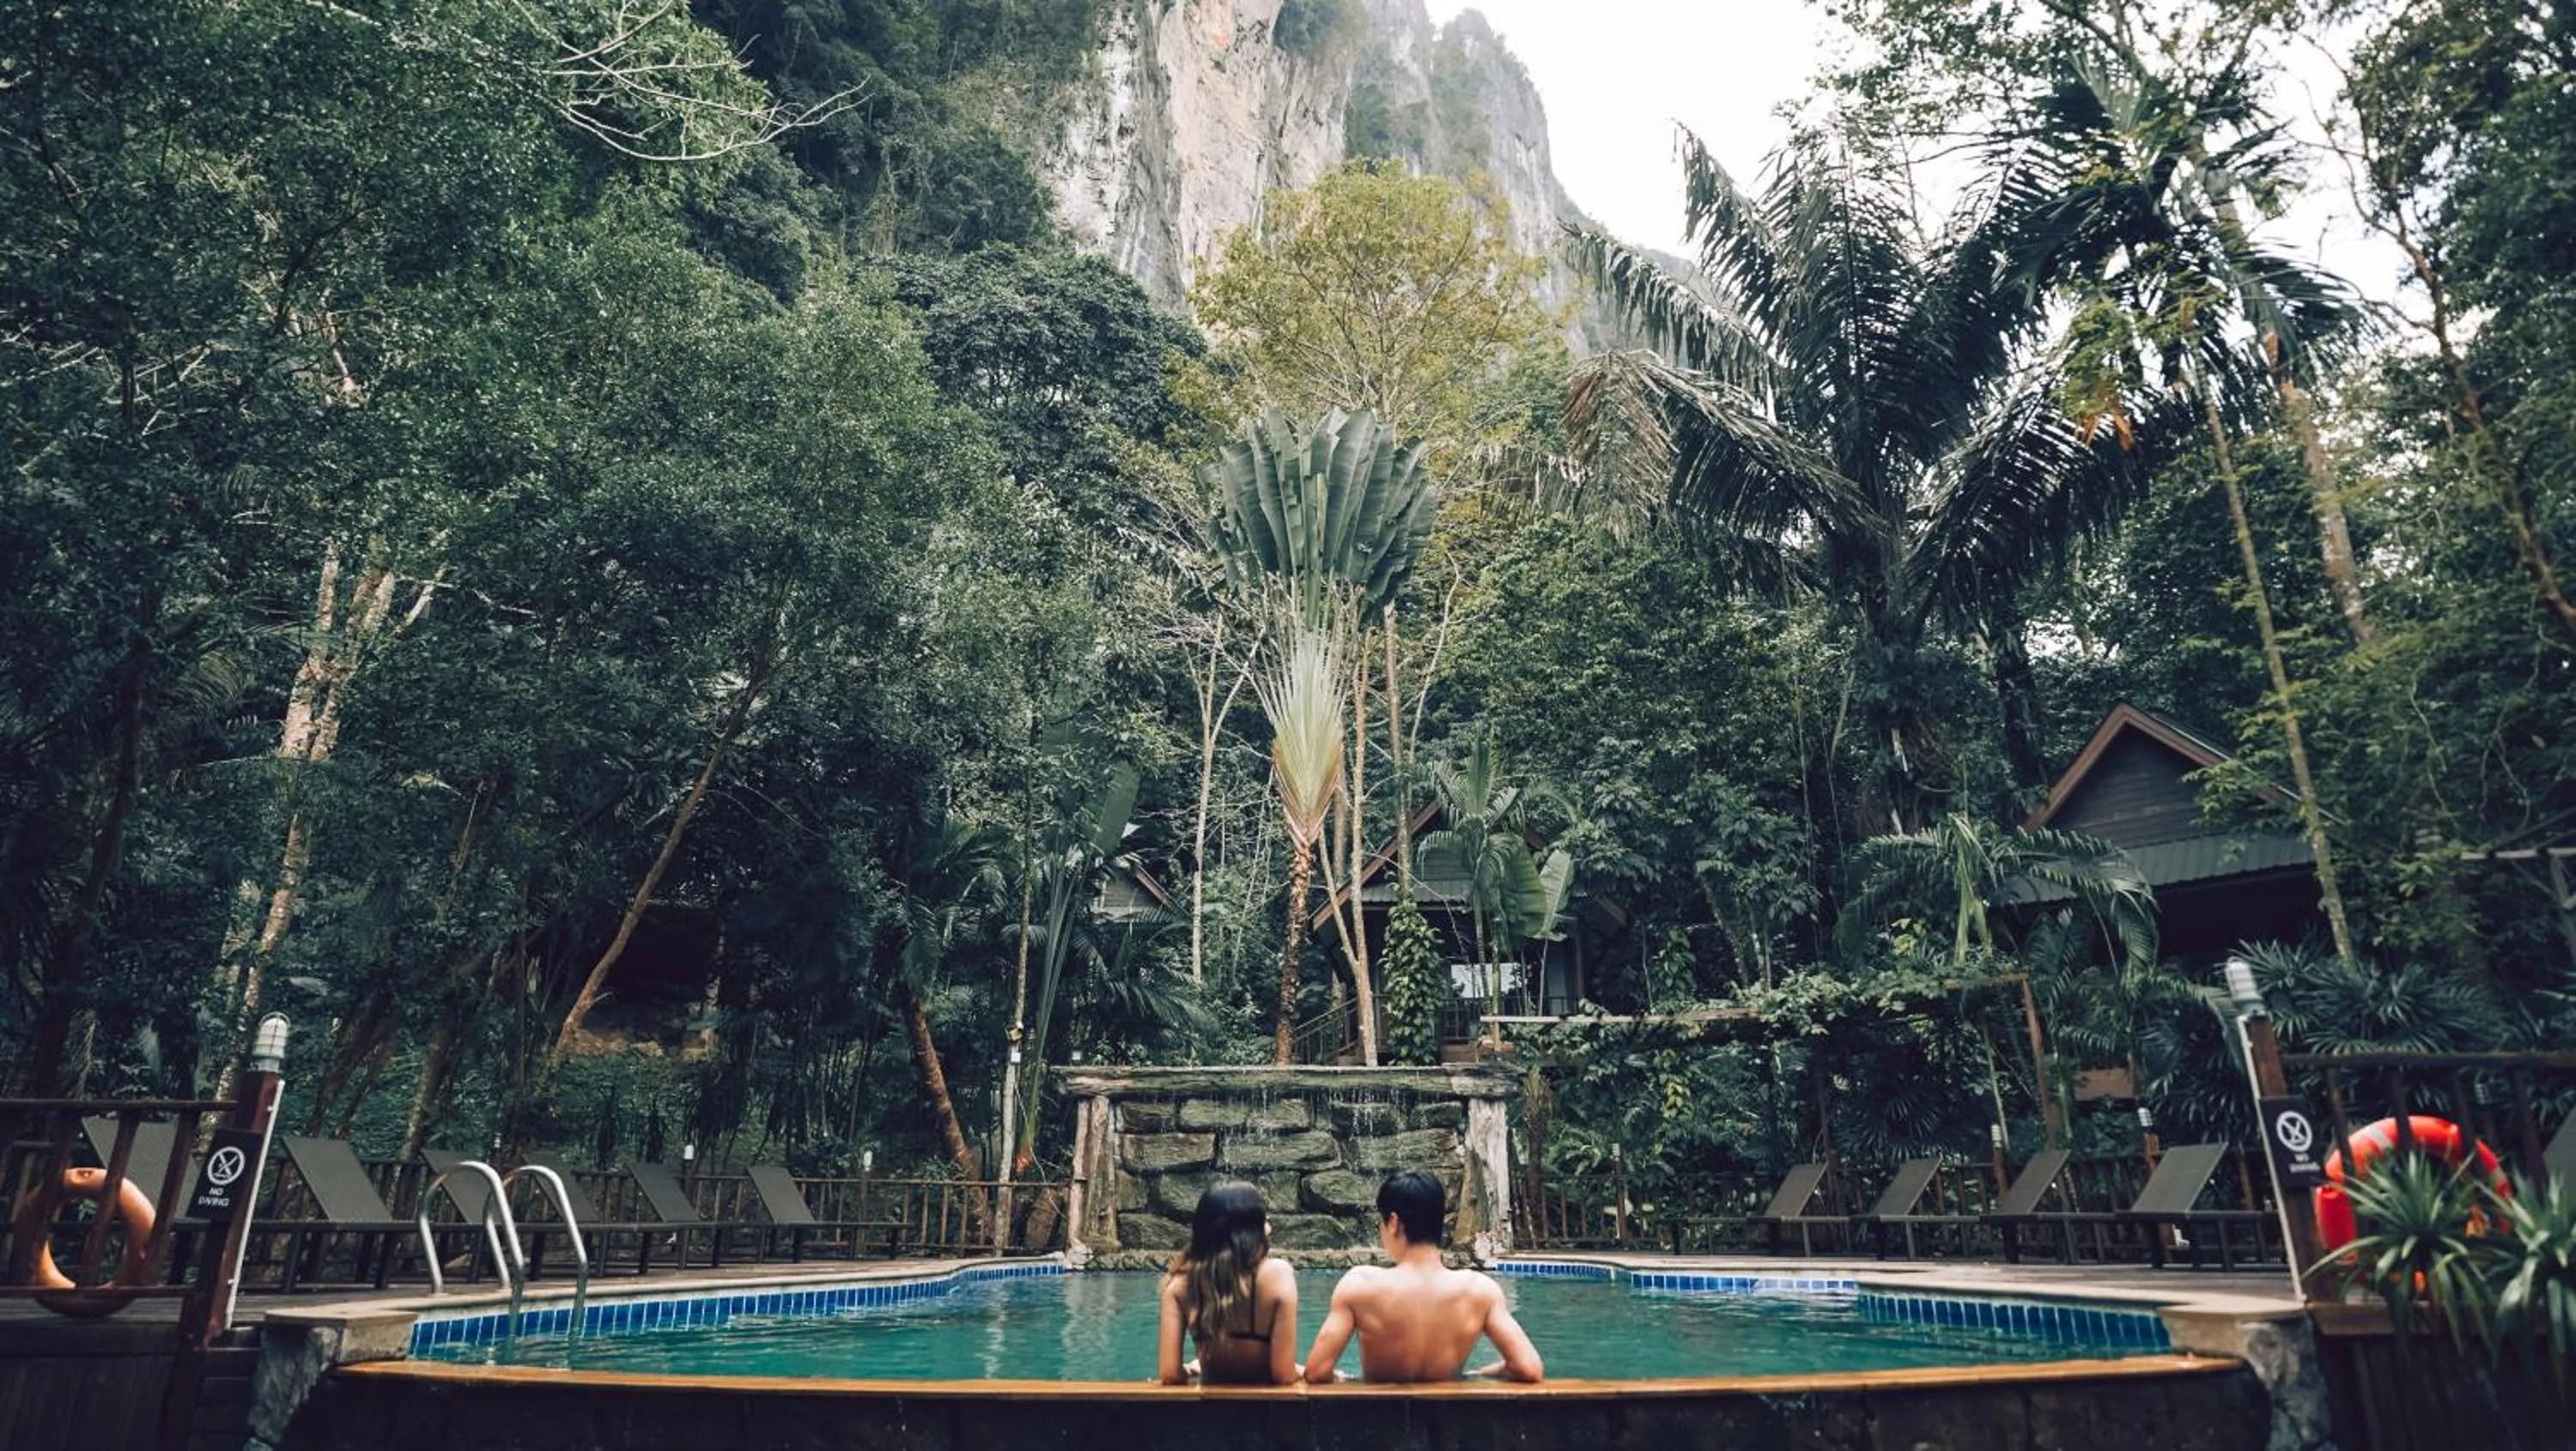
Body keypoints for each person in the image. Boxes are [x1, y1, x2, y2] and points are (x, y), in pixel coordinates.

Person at [1300, 1170, 1543, 1383]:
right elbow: (1528, 1368)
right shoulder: (1480, 1290)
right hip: (1447, 1425)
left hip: (1378, 1423)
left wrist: (1340, 1378)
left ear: (1393, 1222)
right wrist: (1480, 1373)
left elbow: (1317, 1372)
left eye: (1381, 1224)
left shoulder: (1359, 1285)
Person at [1157, 1180, 1301, 1385]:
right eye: (1263, 1217)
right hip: (1265, 1411)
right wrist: (1301, 1372)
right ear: (1250, 1228)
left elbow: (1170, 1374)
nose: (1269, 1223)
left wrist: (1192, 1370)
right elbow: (1283, 1375)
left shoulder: (1179, 1284)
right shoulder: (1278, 1275)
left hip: (1209, 1411)